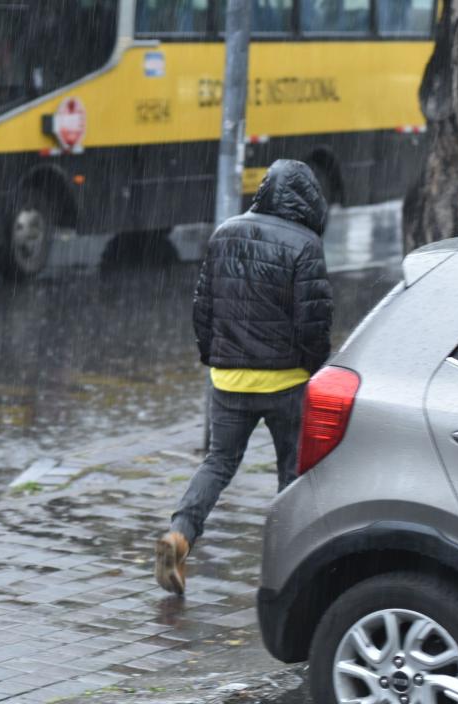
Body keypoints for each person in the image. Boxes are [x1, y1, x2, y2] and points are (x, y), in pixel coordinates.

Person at [155, 159, 334, 595]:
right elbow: (314, 323)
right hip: (285, 382)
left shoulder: (225, 232)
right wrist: (314, 368)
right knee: (292, 473)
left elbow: (203, 309)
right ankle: (285, 564)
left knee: (218, 463)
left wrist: (215, 358)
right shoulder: (305, 244)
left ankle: (180, 535)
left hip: (229, 379)